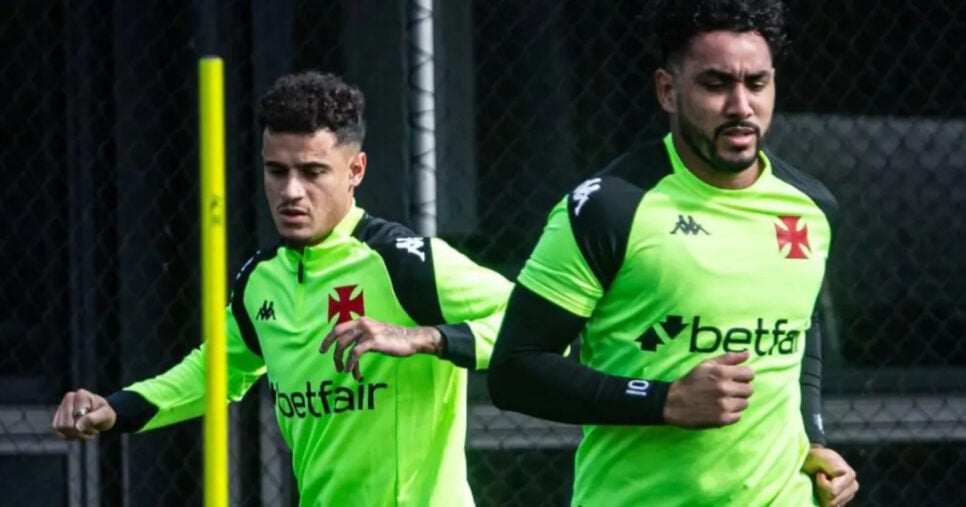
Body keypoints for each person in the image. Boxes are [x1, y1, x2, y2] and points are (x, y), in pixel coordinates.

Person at [52, 71, 512, 506]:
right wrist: (114, 409)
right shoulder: (260, 280)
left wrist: (424, 338)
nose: (291, 191)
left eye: (312, 173)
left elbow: (537, 324)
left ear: (356, 170)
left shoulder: (404, 263)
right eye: (277, 171)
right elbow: (213, 372)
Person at [488, 0, 858, 505]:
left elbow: (799, 329)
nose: (741, 106)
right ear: (668, 90)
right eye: (715, 84)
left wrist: (813, 439)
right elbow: (515, 371)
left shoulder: (812, 207)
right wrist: (665, 401)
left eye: (756, 83)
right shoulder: (610, 207)